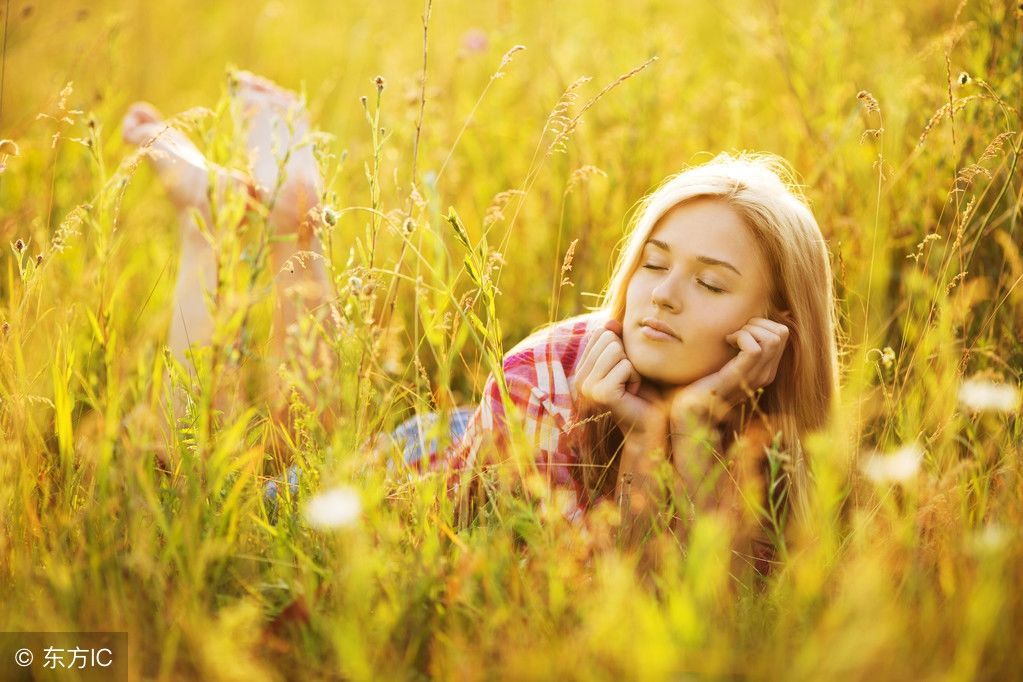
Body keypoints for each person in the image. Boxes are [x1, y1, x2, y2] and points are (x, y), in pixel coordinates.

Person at [123, 72, 840, 568]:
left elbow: (714, 619)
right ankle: (217, 229)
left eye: (710, 283)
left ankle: (286, 221)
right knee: (189, 510)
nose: (663, 296)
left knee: (292, 454)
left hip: (478, 436)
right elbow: (593, 610)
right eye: (652, 265)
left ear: (776, 323)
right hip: (426, 474)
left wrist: (676, 431)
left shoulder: (793, 457)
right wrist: (651, 444)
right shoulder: (547, 372)